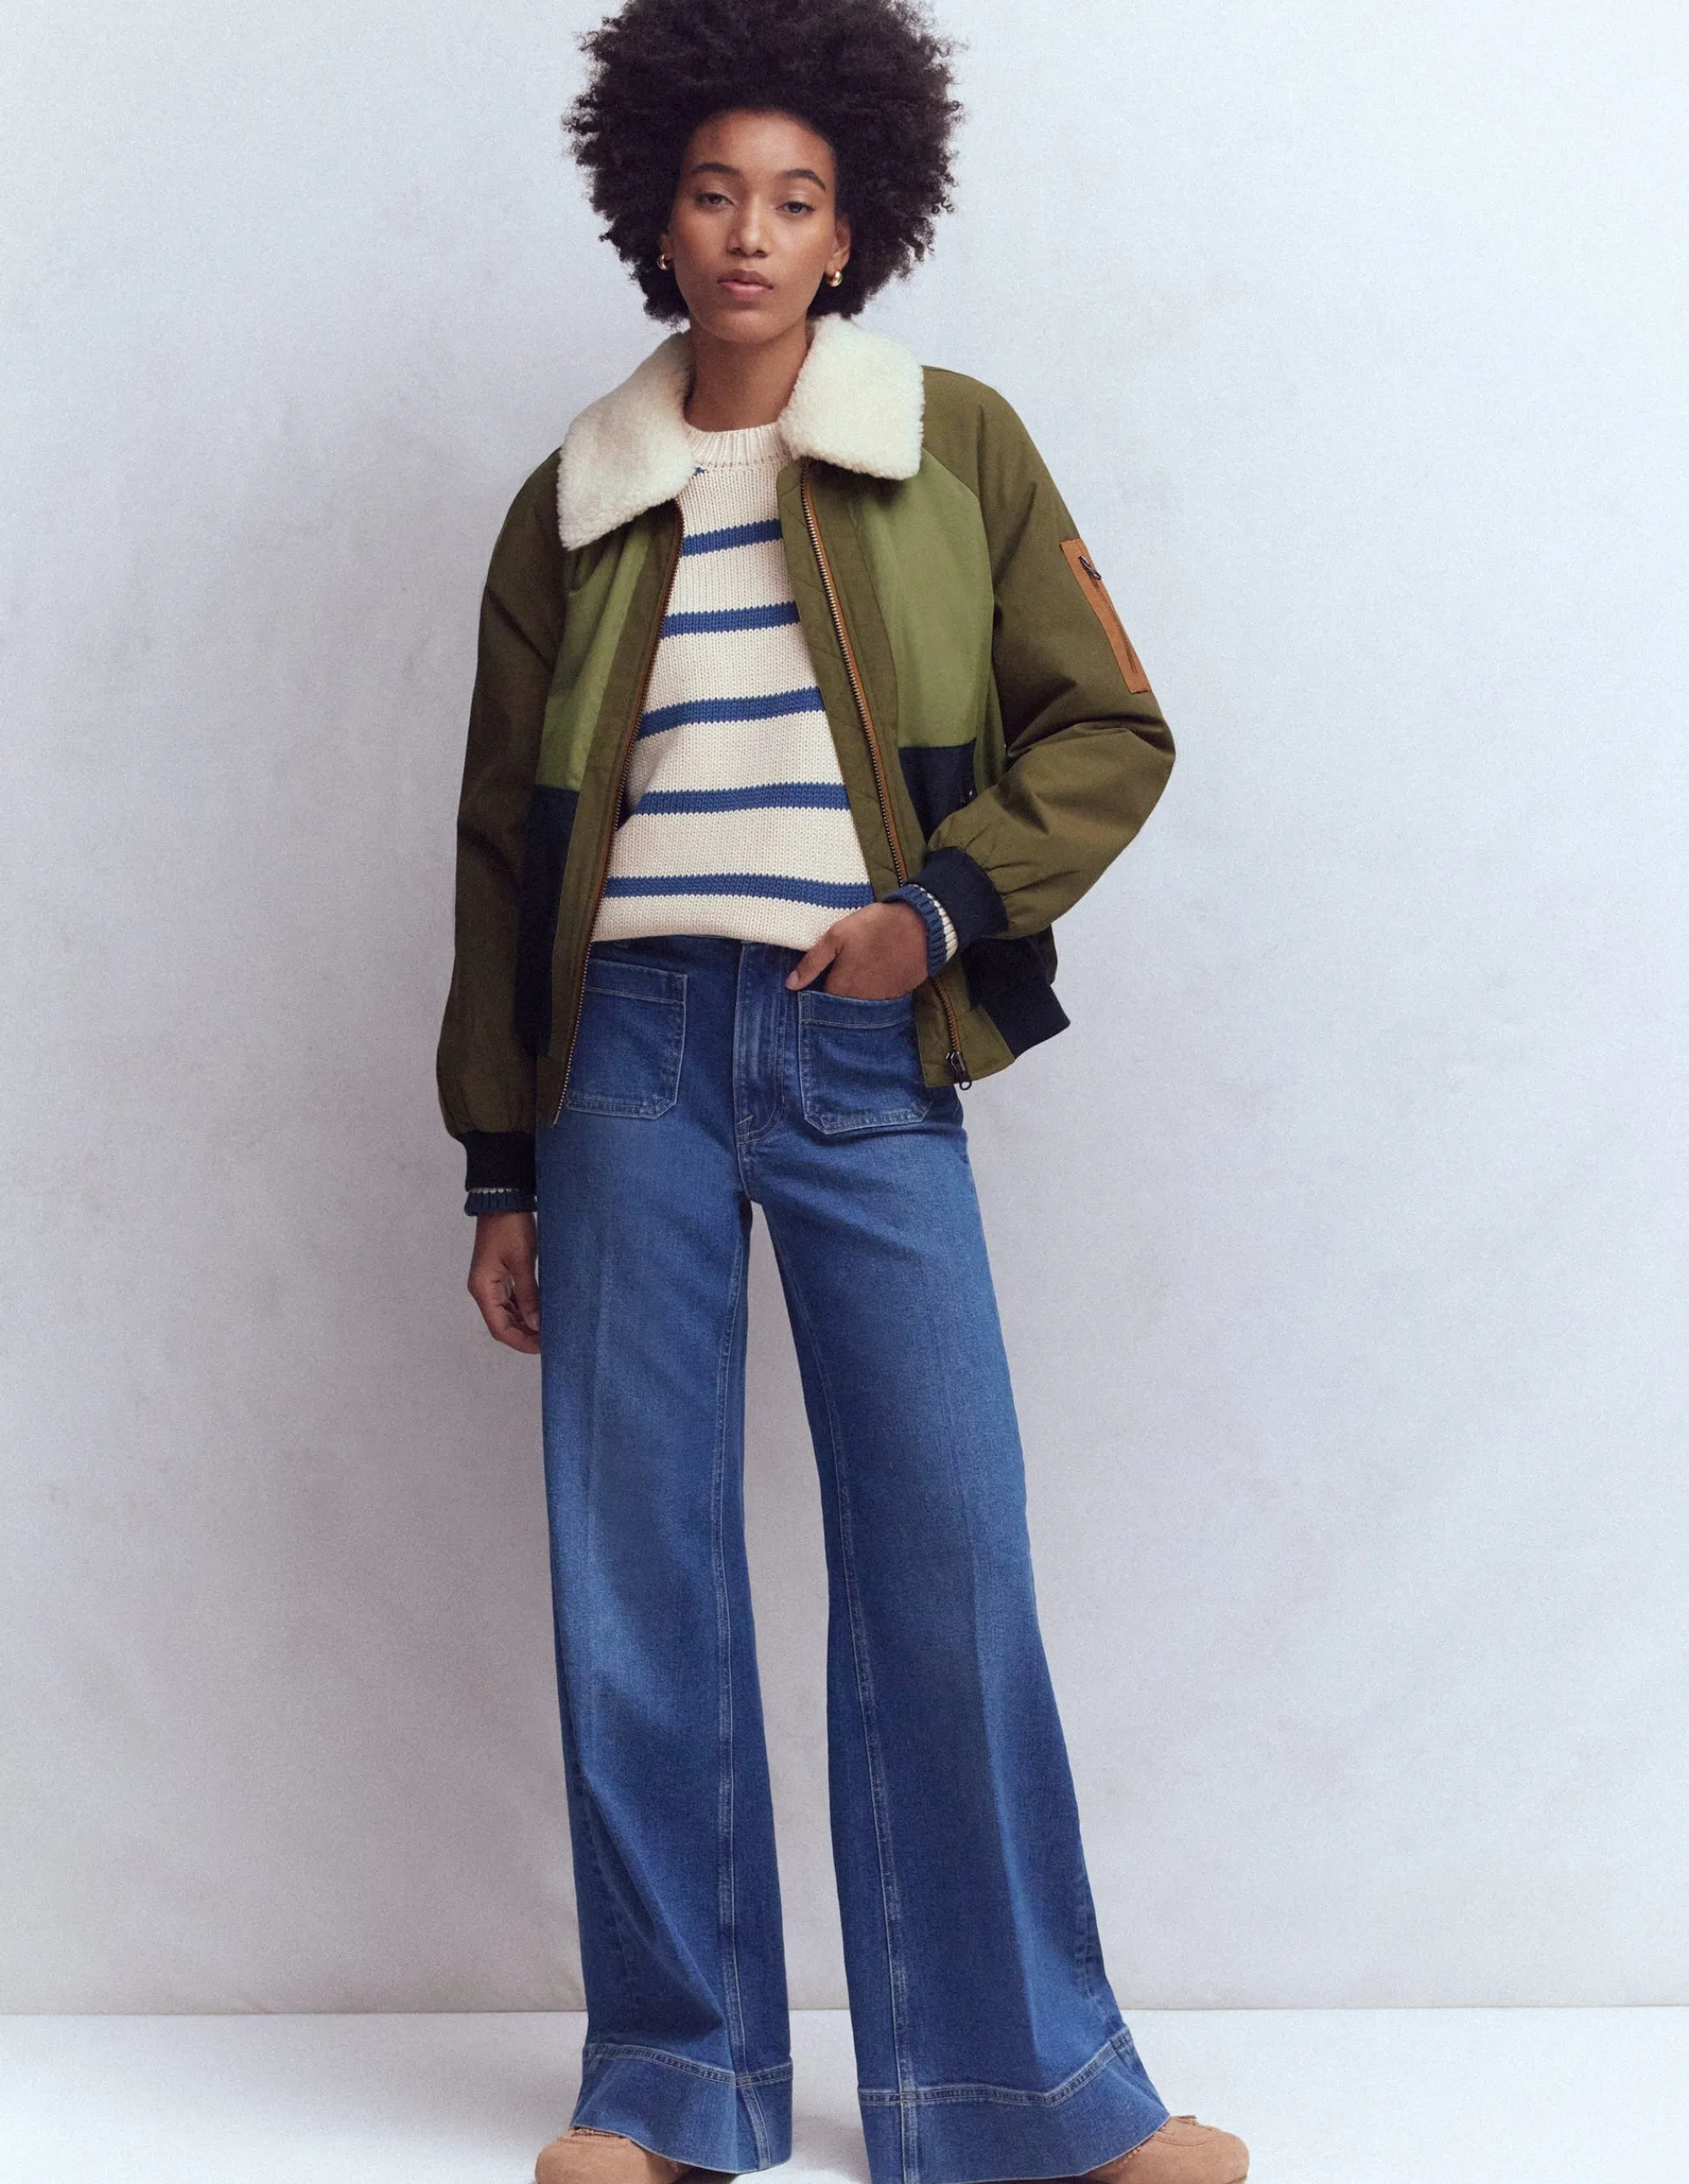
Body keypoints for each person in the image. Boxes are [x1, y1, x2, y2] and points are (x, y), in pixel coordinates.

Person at [437, 3, 1246, 2181]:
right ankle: (667, 2086)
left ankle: (1030, 2092)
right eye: (713, 190)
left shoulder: (947, 444)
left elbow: (1110, 728)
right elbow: (503, 848)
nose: (749, 232)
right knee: (639, 1573)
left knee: (944, 1553)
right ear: (653, 212)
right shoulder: (577, 499)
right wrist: (500, 1160)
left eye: (793, 198)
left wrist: (936, 913)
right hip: (621, 1061)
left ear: (853, 224)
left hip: (861, 1036)